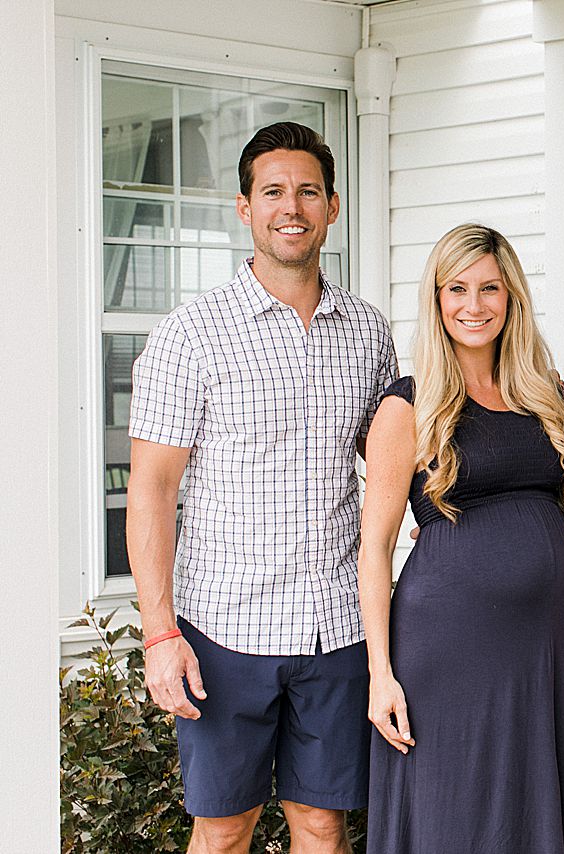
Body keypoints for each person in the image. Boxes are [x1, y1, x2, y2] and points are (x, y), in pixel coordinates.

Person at [127, 121, 396, 853]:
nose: (292, 207)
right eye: (273, 192)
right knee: (222, 829)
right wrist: (159, 634)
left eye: (308, 191)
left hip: (336, 627)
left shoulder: (368, 333)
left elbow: (393, 462)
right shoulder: (191, 334)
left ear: (332, 206)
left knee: (323, 825)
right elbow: (152, 491)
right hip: (225, 629)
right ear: (245, 208)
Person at [357, 223, 564, 853]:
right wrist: (380, 674)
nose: (474, 305)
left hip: (536, 647)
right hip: (448, 645)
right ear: (436, 299)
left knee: (521, 805)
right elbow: (374, 548)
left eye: (490, 288)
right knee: (453, 808)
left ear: (511, 296)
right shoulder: (408, 406)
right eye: (457, 289)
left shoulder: (540, 396)